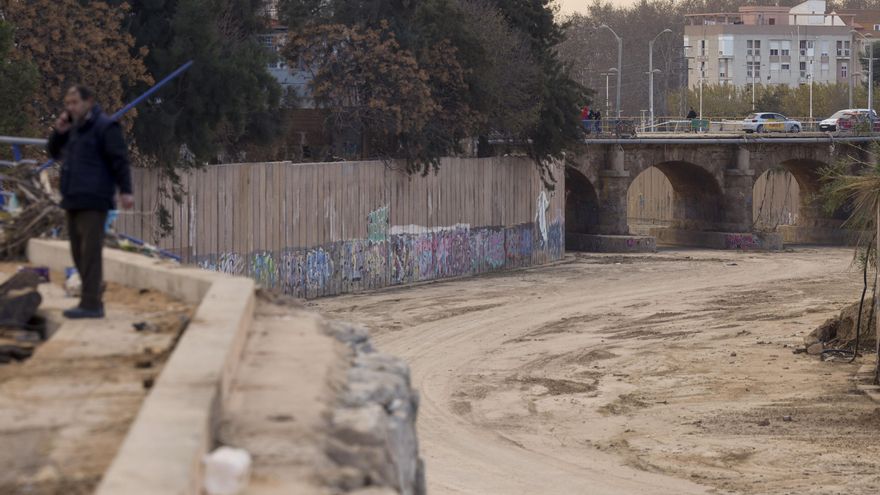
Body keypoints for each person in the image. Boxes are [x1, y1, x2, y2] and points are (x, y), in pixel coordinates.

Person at [47, 85, 135, 319]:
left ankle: (91, 303)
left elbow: (120, 160)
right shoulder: (73, 129)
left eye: (75, 102)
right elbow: (54, 153)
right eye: (68, 103)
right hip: (73, 197)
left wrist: (126, 191)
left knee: (90, 252)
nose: (71, 107)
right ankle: (92, 297)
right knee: (77, 251)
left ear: (89, 101)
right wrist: (59, 131)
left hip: (95, 199)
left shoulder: (105, 127)